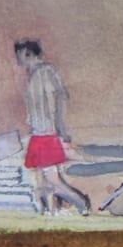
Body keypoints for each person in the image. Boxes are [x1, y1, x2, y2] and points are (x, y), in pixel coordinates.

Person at [13, 40, 89, 215]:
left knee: (52, 178)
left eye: (19, 54)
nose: (17, 59)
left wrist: (62, 131)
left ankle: (80, 203)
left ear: (27, 53)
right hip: (38, 133)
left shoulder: (46, 73)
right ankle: (49, 211)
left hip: (47, 133)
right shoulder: (32, 74)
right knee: (42, 179)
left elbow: (58, 102)